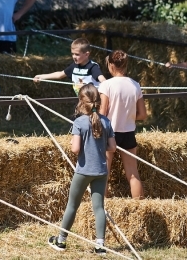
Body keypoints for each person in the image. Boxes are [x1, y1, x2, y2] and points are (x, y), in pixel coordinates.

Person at [48, 84, 116, 255]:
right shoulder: (106, 121)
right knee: (99, 208)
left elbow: (75, 149)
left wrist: (74, 141)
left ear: (81, 102)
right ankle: (100, 245)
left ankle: (61, 241)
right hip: (101, 171)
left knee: (72, 205)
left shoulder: (79, 122)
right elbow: (112, 147)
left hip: (84, 171)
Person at [99, 50, 147, 199]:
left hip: (109, 133)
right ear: (126, 65)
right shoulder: (135, 85)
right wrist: (128, 117)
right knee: (133, 174)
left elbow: (102, 112)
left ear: (111, 65)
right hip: (128, 133)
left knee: (103, 173)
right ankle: (140, 207)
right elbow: (143, 115)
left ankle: (101, 208)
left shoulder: (106, 85)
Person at [34, 38, 106, 95]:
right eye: (72, 54)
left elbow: (103, 80)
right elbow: (60, 75)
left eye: (77, 54)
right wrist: (41, 77)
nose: (74, 57)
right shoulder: (74, 66)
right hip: (83, 101)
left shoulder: (92, 67)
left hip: (94, 102)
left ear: (87, 54)